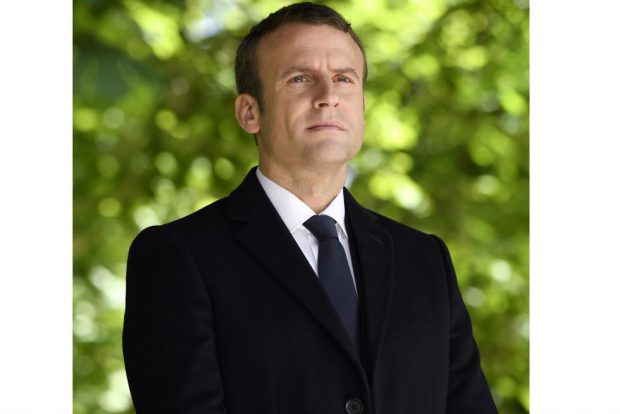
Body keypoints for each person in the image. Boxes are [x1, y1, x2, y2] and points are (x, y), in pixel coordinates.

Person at [122, 2, 498, 413]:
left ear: (362, 107)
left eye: (343, 78)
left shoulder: (425, 261)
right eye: (300, 78)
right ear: (249, 112)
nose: (328, 96)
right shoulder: (179, 257)